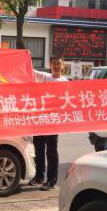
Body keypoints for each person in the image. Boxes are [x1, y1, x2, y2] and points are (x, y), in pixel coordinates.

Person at [29, 55, 68, 191]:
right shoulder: (45, 77)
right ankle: (39, 177)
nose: (56, 66)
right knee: (38, 149)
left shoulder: (65, 82)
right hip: (40, 119)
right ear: (50, 65)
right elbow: (29, 70)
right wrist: (25, 56)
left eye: (59, 63)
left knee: (51, 152)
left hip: (53, 120)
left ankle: (52, 181)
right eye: (54, 63)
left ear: (63, 66)